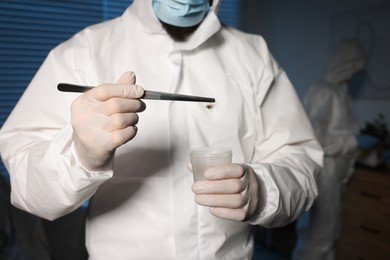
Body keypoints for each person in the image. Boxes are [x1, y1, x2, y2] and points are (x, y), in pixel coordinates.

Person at [0, 0, 323, 259]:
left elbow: (299, 159)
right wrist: (78, 155)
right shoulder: (83, 51)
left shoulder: (254, 55)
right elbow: (29, 190)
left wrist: (263, 190)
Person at [292, 38, 366, 260]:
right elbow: (313, 140)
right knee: (317, 236)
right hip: (324, 174)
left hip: (335, 176)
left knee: (328, 233)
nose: (354, 73)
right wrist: (353, 142)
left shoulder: (340, 92)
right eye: (353, 66)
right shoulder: (323, 92)